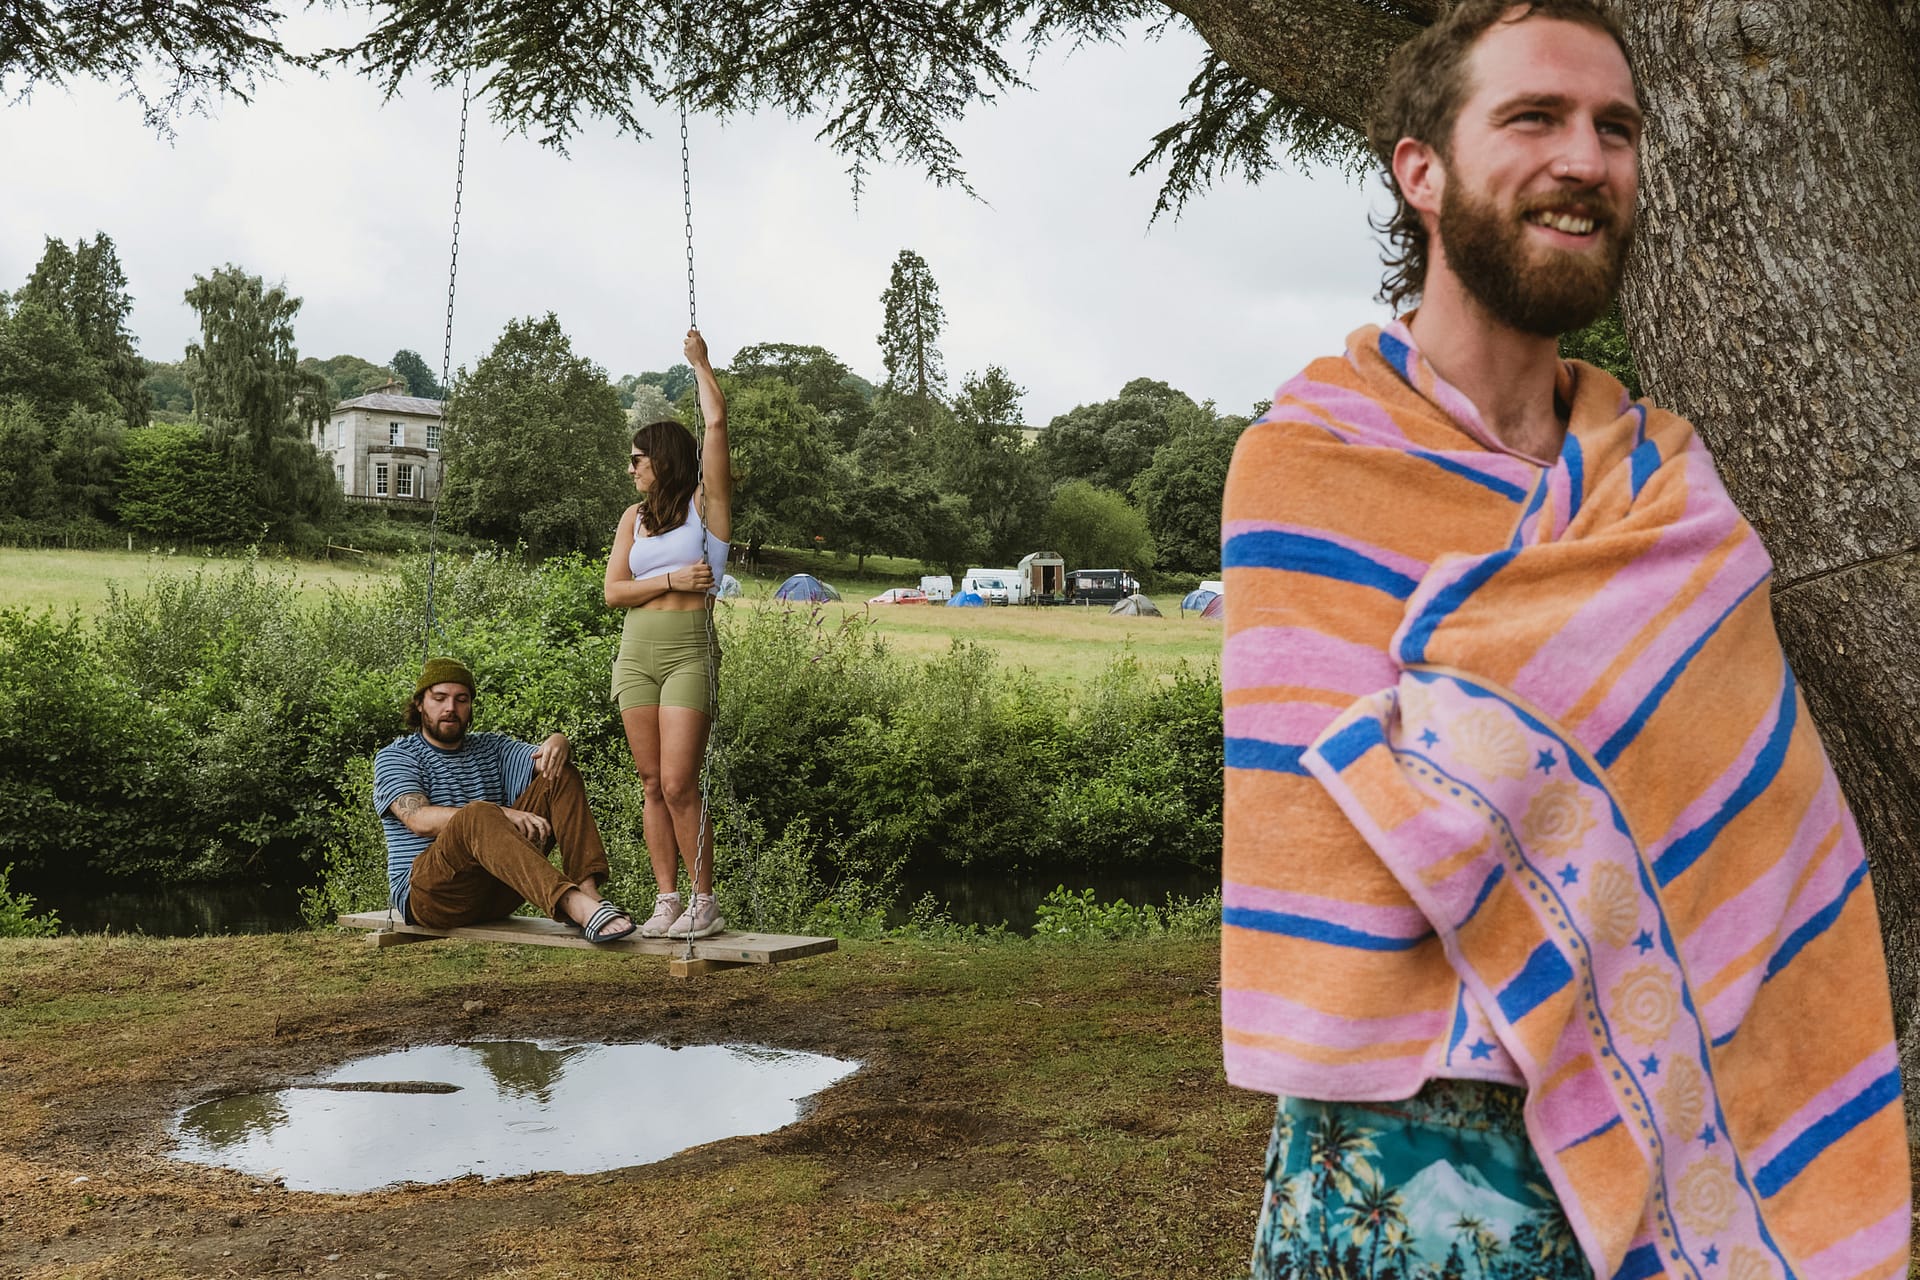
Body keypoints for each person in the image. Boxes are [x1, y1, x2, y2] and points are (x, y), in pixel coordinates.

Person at [1221, 3, 1908, 1278]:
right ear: (1422, 170)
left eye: (1616, 128)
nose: (1586, 159)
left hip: (1683, 1136)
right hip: (1401, 1155)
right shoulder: (1307, 468)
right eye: (1534, 117)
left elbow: (1759, 823)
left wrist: (1470, 723)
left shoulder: (1667, 493)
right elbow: (1340, 832)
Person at [605, 328, 731, 940]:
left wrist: (701, 364)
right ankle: (667, 900)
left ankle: (705, 901)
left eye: (638, 458)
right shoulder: (633, 518)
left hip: (687, 651)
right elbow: (613, 592)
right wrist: (672, 579)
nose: (630, 468)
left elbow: (716, 425)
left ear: (663, 460)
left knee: (681, 783)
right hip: (636, 653)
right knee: (651, 783)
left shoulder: (706, 507)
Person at [373, 657, 634, 942]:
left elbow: (546, 759)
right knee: (477, 814)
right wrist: (502, 813)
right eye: (439, 698)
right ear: (420, 704)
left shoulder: (491, 748)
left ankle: (588, 892)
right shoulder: (397, 756)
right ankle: (574, 905)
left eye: (461, 699)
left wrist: (559, 741)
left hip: (497, 891)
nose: (450, 708)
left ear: (470, 706)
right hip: (431, 897)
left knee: (559, 774)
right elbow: (419, 820)